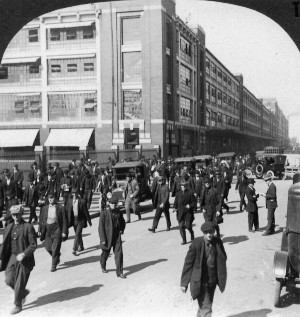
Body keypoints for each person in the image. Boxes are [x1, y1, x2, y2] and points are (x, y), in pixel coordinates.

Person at [180, 221, 227, 317]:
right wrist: (184, 283)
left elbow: (223, 257)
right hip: (200, 281)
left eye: (211, 232)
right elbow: (188, 264)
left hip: (212, 280)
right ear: (203, 233)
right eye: (207, 232)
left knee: (205, 305)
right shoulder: (196, 244)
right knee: (207, 308)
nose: (209, 235)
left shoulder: (218, 242)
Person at [0, 205, 37, 315]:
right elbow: (5, 244)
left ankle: (18, 304)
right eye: (13, 214)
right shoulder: (9, 227)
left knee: (19, 283)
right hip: (12, 257)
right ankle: (23, 293)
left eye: (18, 214)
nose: (15, 216)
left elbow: (33, 245)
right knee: (9, 280)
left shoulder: (28, 227)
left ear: (22, 214)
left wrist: (24, 254)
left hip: (24, 259)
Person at [98, 196, 126, 278]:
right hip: (107, 236)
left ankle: (120, 272)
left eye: (114, 203)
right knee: (105, 252)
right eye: (111, 203)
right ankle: (102, 264)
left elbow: (123, 222)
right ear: (108, 203)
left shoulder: (119, 212)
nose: (113, 205)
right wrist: (103, 239)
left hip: (117, 235)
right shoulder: (104, 213)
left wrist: (121, 229)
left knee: (119, 253)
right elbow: (101, 227)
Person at [38, 193, 67, 272]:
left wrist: (64, 231)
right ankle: (57, 255)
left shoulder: (60, 207)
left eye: (52, 198)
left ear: (55, 198)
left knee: (55, 248)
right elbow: (41, 220)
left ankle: (53, 265)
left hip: (57, 228)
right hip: (47, 229)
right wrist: (39, 230)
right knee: (48, 247)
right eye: (49, 198)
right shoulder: (44, 208)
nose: (50, 200)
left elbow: (64, 220)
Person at [65, 187, 92, 255]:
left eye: (75, 193)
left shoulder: (82, 201)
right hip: (73, 220)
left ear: (78, 193)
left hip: (80, 220)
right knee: (78, 234)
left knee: (77, 234)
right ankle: (81, 246)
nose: (74, 194)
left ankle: (74, 249)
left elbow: (86, 212)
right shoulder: (69, 201)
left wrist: (89, 221)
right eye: (73, 193)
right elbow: (66, 210)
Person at [173, 180, 196, 245]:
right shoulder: (178, 194)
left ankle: (191, 232)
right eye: (182, 185)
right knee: (181, 226)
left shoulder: (190, 192)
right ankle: (184, 240)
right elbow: (175, 202)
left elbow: (194, 202)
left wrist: (190, 205)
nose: (183, 187)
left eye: (184, 185)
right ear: (180, 186)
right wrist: (174, 208)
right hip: (180, 212)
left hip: (188, 212)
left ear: (186, 186)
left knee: (188, 226)